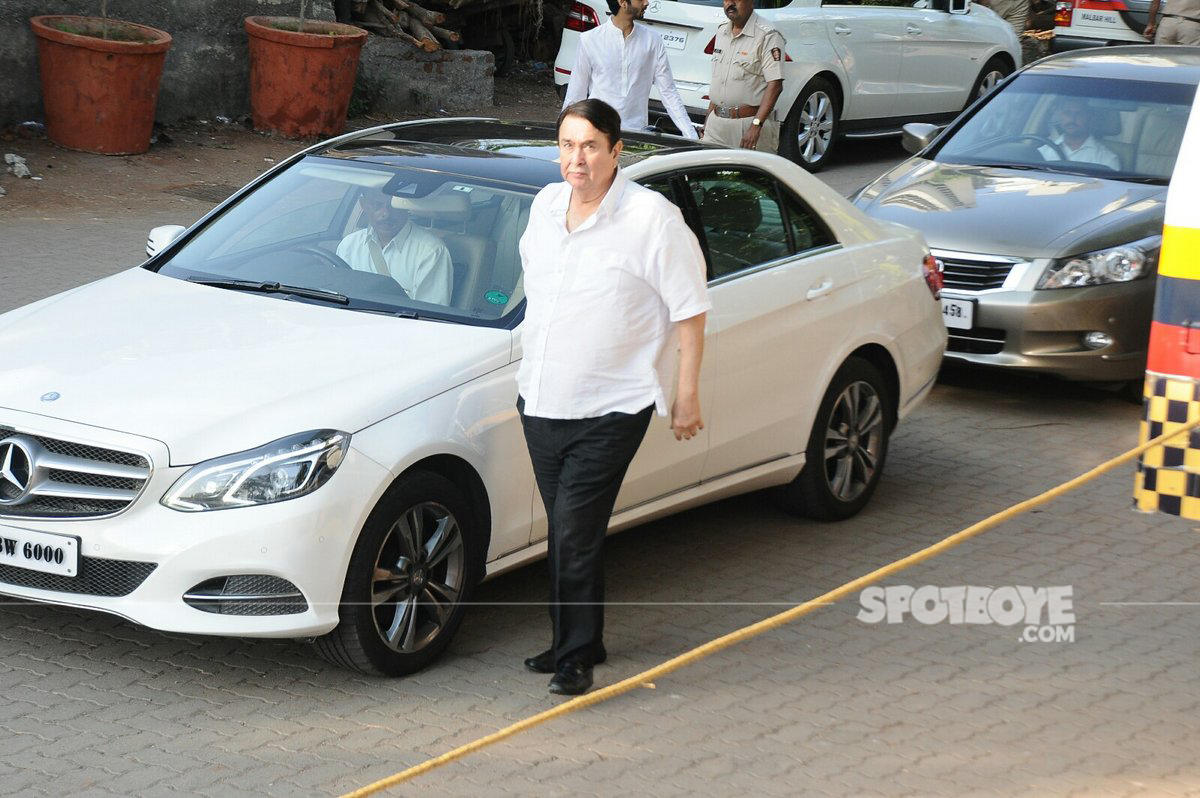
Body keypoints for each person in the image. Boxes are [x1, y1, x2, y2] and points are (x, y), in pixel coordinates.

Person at [517, 99, 710, 696]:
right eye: (569, 145)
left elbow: (691, 309)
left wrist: (686, 395)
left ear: (616, 151)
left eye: (591, 146)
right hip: (541, 401)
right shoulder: (545, 207)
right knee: (567, 529)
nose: (578, 159)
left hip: (610, 408)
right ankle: (578, 637)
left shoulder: (651, 219)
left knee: (574, 531)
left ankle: (576, 658)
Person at [562, 0, 700, 139]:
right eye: (640, 0)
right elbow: (575, 94)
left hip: (637, 135)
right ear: (622, 2)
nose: (647, 3)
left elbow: (669, 92)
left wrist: (691, 135)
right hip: (597, 132)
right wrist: (566, 135)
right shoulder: (590, 40)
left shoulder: (652, 40)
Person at [335, 187, 455, 304]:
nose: (386, 213)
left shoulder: (431, 252)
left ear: (406, 206)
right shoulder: (348, 245)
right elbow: (337, 296)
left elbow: (429, 318)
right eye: (377, 205)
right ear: (363, 204)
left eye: (393, 206)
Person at [703, 0, 785, 151]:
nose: (730, 3)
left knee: (749, 174)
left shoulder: (768, 34)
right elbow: (720, 80)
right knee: (709, 173)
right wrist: (708, 119)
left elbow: (775, 85)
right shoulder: (722, 31)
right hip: (716, 124)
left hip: (747, 124)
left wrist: (756, 125)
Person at [1036, 97, 1121, 170]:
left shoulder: (1106, 159)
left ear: (1089, 117)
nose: (1072, 119)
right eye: (1067, 113)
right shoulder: (1042, 152)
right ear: (1060, 115)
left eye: (1079, 113)